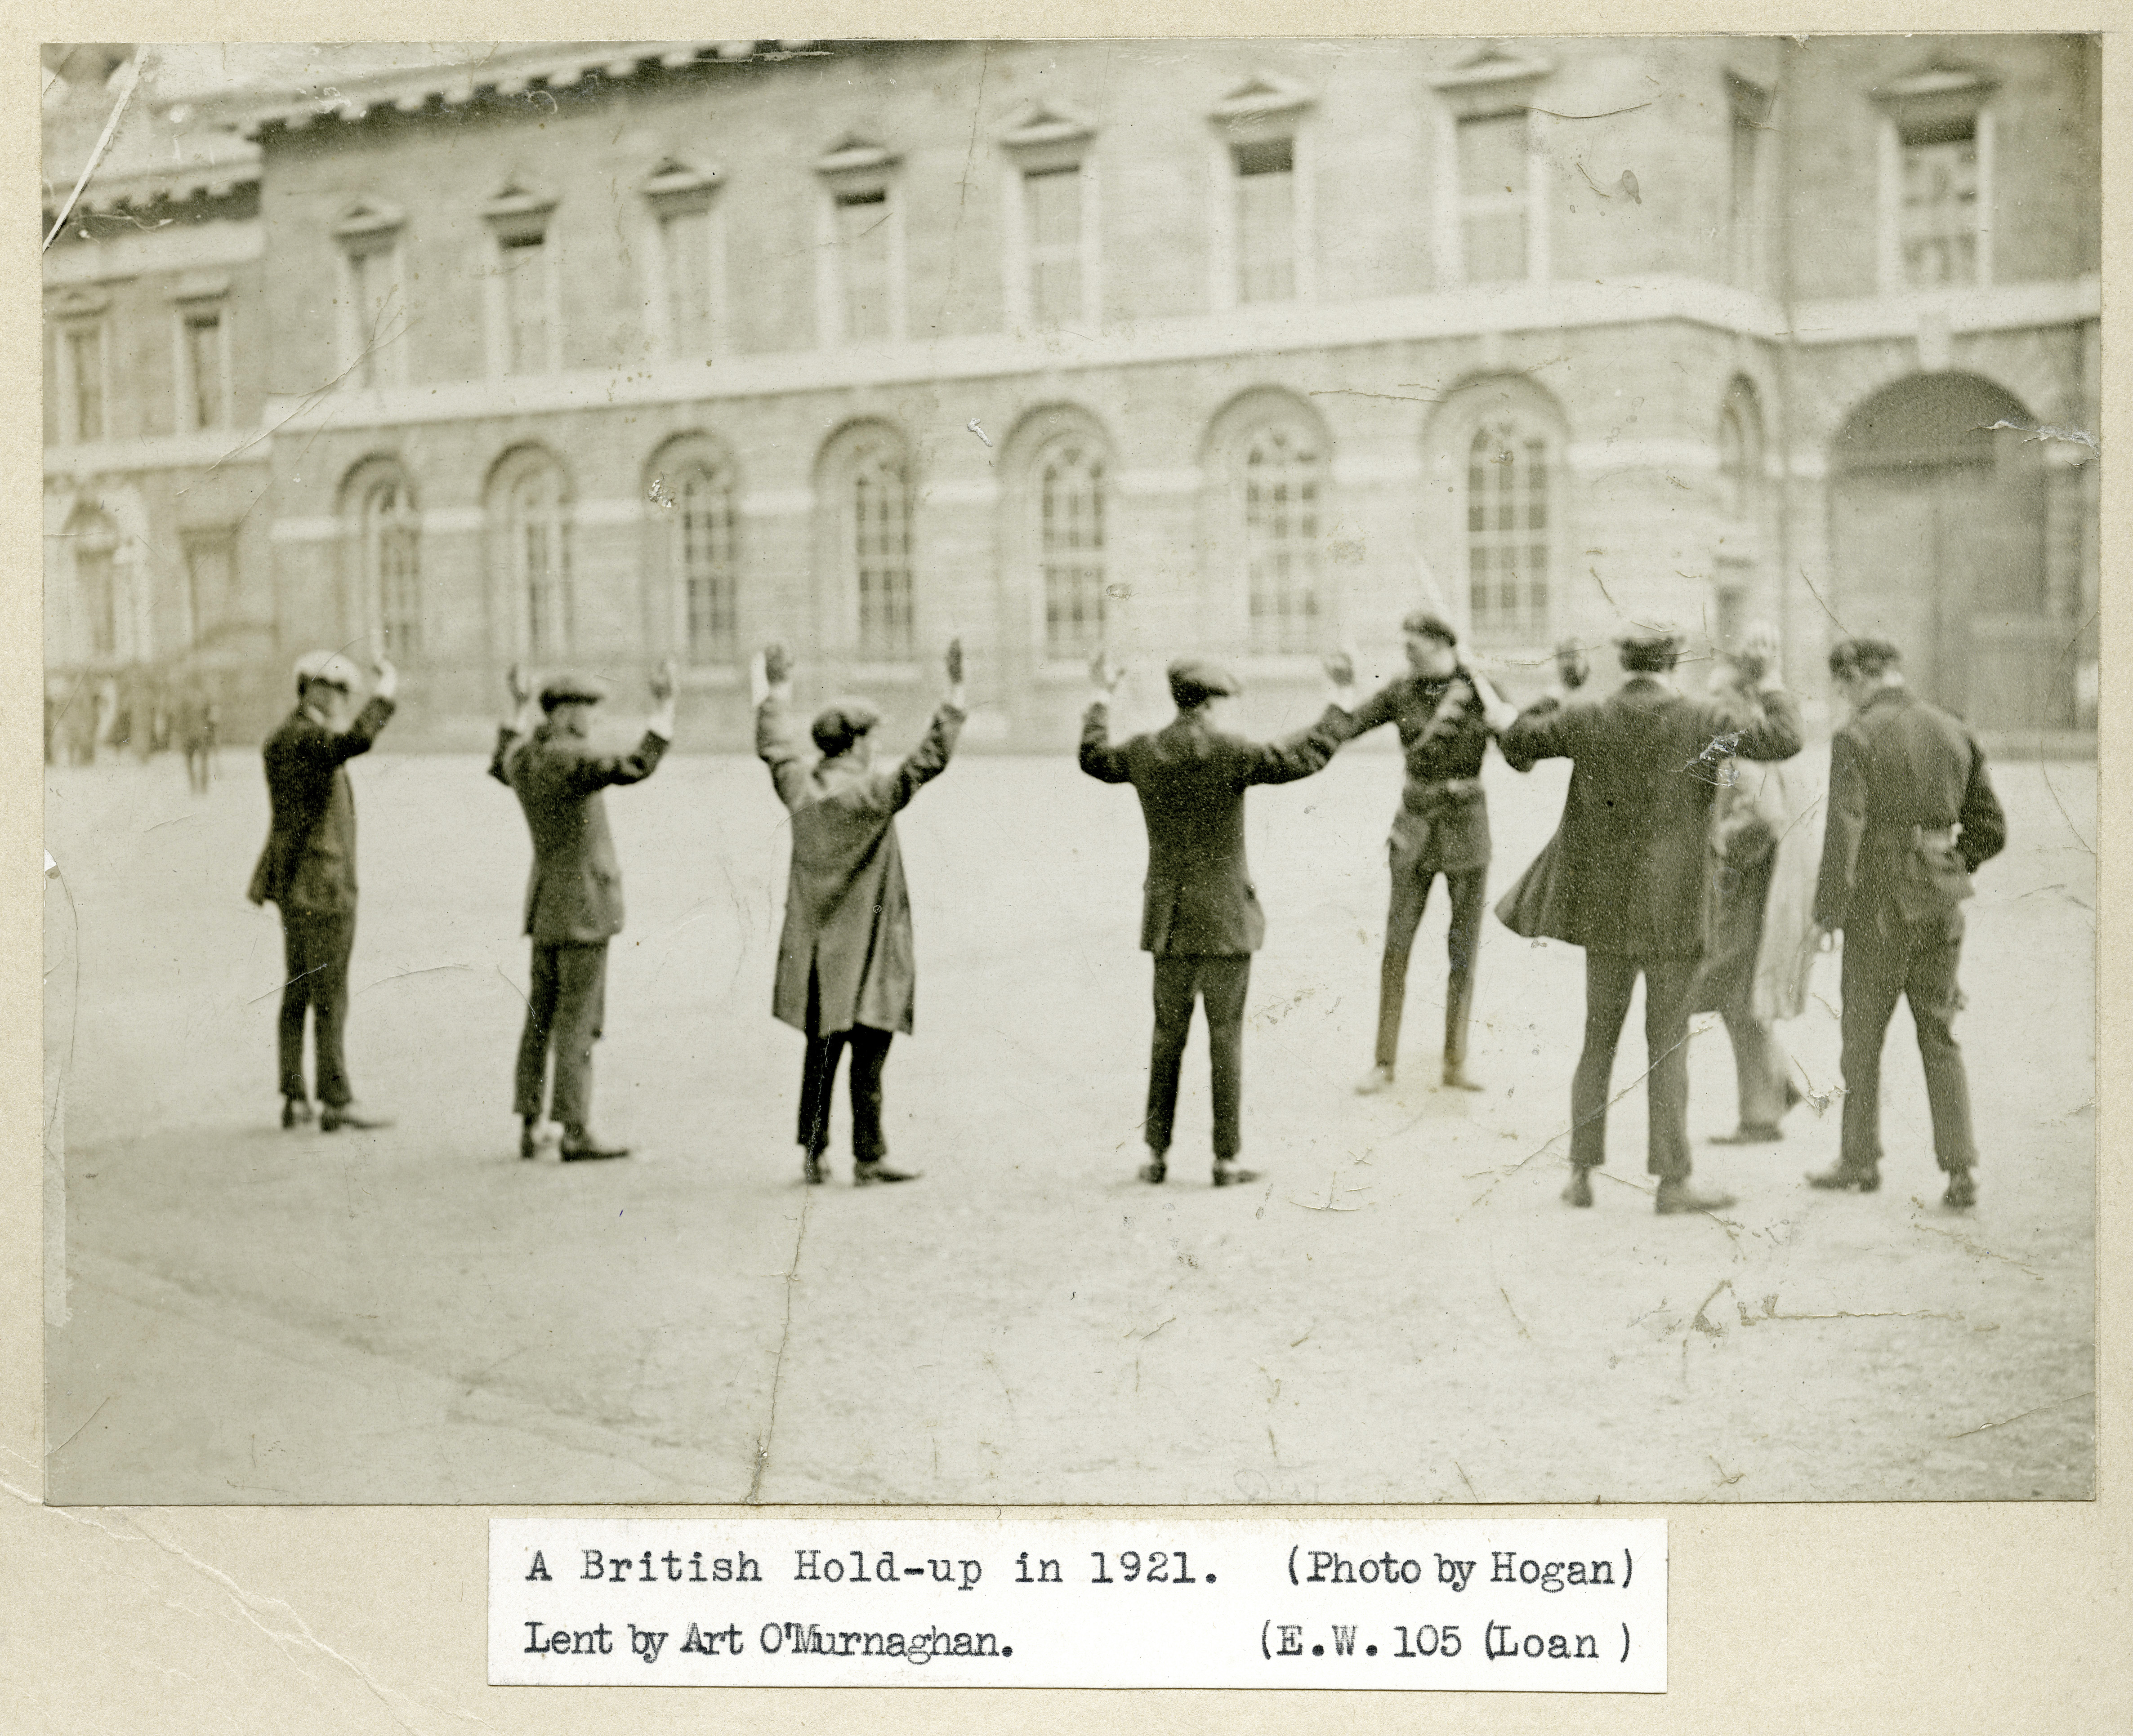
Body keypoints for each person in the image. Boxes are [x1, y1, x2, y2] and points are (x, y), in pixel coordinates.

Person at [1499, 624, 1803, 1215]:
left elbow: (1515, 742)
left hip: (1605, 911)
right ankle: (1673, 1182)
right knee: (1668, 1046)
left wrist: (1560, 692)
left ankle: (1581, 1174)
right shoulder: (1702, 718)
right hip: (1677, 908)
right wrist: (1771, 681)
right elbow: (1785, 738)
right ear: (1670, 661)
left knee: (1597, 1040)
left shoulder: (1589, 717)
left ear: (1624, 662)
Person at [1080, 654, 1354, 1186]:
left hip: (1169, 920)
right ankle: (1225, 1159)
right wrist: (1340, 702)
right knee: (1225, 1038)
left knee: (1166, 1037)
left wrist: (1100, 695)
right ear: (1208, 703)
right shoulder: (1230, 752)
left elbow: (1091, 756)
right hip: (1227, 920)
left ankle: (1155, 1155)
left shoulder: (1144, 751)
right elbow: (1305, 756)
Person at [755, 640, 965, 1187]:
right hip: (868, 947)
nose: (876, 748)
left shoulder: (800, 789)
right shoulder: (870, 795)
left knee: (820, 1051)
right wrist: (954, 696)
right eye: (871, 738)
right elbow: (929, 760)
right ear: (854, 744)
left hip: (821, 952)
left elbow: (776, 749)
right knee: (870, 1052)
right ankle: (869, 1155)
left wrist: (775, 692)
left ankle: (814, 1152)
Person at [1805, 636, 2006, 1208]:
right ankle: (1960, 1168)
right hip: (1941, 904)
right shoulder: (1953, 727)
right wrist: (1947, 862)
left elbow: (1843, 830)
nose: (1845, 699)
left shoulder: (1857, 735)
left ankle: (1858, 1160)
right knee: (1939, 1033)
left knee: (1862, 1038)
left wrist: (1828, 913)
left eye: (1844, 687)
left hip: (1878, 909)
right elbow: (1991, 827)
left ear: (1860, 678)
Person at [1330, 611, 1523, 1096]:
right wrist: (1342, 687)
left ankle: (1455, 1062)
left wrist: (1507, 719)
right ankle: (1383, 1062)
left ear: (1442, 644)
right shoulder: (1400, 691)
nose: (1408, 657)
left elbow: (1523, 759)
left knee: (1464, 952)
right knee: (1396, 947)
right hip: (1414, 828)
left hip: (1467, 828)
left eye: (1414, 649)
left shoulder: (1482, 688)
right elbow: (1349, 727)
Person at [491, 662, 675, 1162]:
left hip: (546, 905)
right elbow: (636, 765)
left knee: (539, 1017)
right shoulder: (573, 758)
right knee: (578, 1021)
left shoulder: (525, 758)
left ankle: (530, 1123)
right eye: (587, 712)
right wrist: (663, 708)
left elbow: (498, 760)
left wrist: (517, 707)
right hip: (585, 908)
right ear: (570, 716)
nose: (591, 722)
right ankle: (575, 1129)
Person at [246, 645, 398, 1131]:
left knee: (300, 988)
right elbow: (357, 740)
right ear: (308, 687)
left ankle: (295, 1096)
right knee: (330, 991)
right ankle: (335, 1099)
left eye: (345, 690)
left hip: (297, 884)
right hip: (323, 886)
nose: (340, 698)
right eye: (332, 688)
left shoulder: (286, 737)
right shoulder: (304, 738)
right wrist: (386, 692)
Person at [1690, 626, 1819, 1144]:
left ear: (1740, 702)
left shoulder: (1739, 758)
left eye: (1719, 696)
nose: (1711, 706)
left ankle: (1760, 1115)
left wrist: (1719, 847)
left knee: (1736, 996)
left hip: (1749, 893)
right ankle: (1777, 1089)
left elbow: (1762, 822)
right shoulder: (1747, 753)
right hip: (1762, 890)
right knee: (1737, 996)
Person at [177, 677, 219, 795]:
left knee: (192, 761)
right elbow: (211, 718)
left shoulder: (185, 698)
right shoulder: (204, 697)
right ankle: (201, 787)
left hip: (191, 734)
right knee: (202, 761)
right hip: (200, 734)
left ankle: (194, 786)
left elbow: (180, 718)